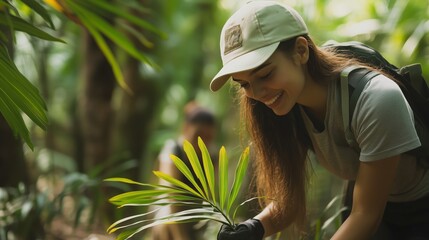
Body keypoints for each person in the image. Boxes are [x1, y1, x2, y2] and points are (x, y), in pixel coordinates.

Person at [210, 1, 429, 239]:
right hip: (370, 208)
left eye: (265, 74)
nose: (258, 93)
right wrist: (253, 228)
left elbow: (366, 216)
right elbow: (289, 204)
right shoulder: (285, 107)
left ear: (301, 51)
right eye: (245, 84)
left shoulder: (375, 99)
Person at [151, 101, 217, 240]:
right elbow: (170, 198)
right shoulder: (173, 150)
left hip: (194, 219)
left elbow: (209, 198)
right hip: (168, 217)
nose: (202, 142)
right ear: (186, 128)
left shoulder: (211, 158)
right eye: (198, 135)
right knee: (166, 222)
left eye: (208, 137)